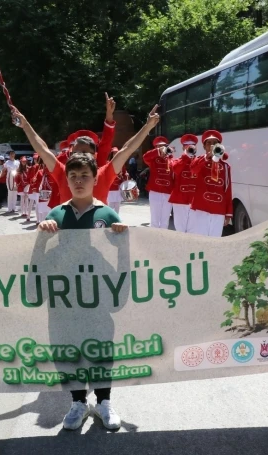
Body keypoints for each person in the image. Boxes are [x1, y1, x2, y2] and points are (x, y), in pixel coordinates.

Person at [38, 152, 128, 430]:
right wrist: (43, 233)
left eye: (85, 176)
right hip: (64, 299)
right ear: (66, 179)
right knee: (68, 349)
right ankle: (78, 401)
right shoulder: (57, 214)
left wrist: (122, 238)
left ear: (94, 179)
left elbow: (121, 254)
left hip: (97, 297)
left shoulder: (107, 214)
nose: (79, 181)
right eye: (73, 176)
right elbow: (40, 257)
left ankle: (103, 401)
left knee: (100, 348)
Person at [14, 95, 157, 210]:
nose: (80, 155)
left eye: (86, 152)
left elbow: (127, 149)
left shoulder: (104, 173)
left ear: (95, 155)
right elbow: (43, 150)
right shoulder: (62, 172)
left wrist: (147, 126)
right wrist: (25, 125)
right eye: (76, 152)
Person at [186, 130, 232, 237]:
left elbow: (227, 190)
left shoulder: (226, 166)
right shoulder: (199, 161)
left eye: (215, 143)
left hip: (218, 209)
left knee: (215, 241)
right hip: (201, 207)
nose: (212, 145)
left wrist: (228, 213)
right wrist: (207, 157)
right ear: (204, 147)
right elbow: (193, 170)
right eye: (208, 143)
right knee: (201, 241)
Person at [142, 136, 175, 229]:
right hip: (155, 191)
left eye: (164, 146)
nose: (162, 148)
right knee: (155, 220)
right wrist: (157, 151)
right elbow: (145, 157)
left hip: (168, 192)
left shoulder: (171, 160)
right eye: (159, 147)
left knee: (165, 221)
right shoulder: (152, 160)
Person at [168, 134, 199, 232]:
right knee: (180, 229)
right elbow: (176, 169)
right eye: (186, 146)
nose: (189, 147)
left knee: (193, 230)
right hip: (180, 200)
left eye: (192, 145)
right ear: (183, 147)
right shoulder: (177, 160)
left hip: (195, 200)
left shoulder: (199, 161)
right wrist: (185, 157)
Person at [106, 147, 126, 213]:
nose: (115, 154)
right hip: (111, 187)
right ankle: (110, 218)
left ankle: (117, 219)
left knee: (117, 205)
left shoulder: (121, 163)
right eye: (114, 153)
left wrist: (126, 176)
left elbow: (124, 173)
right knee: (110, 205)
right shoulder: (108, 163)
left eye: (116, 153)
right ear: (111, 154)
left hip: (118, 187)